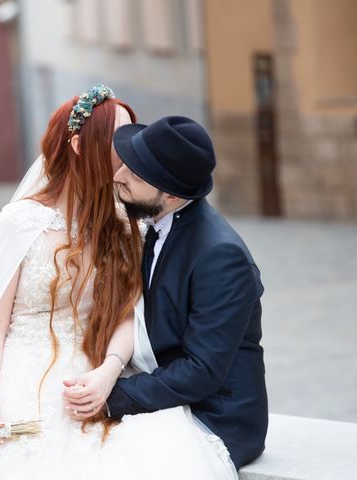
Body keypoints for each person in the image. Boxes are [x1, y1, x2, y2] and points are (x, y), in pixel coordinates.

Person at [0, 87, 237, 479]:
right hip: (19, 373)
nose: (132, 149)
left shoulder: (128, 222)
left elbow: (128, 314)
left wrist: (109, 369)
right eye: (119, 141)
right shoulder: (19, 223)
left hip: (96, 370)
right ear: (79, 146)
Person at [90, 115, 269, 470]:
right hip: (162, 390)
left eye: (135, 176)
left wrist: (111, 398)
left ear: (170, 195)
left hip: (215, 415)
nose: (118, 176)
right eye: (125, 163)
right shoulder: (157, 224)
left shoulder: (221, 256)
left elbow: (201, 370)